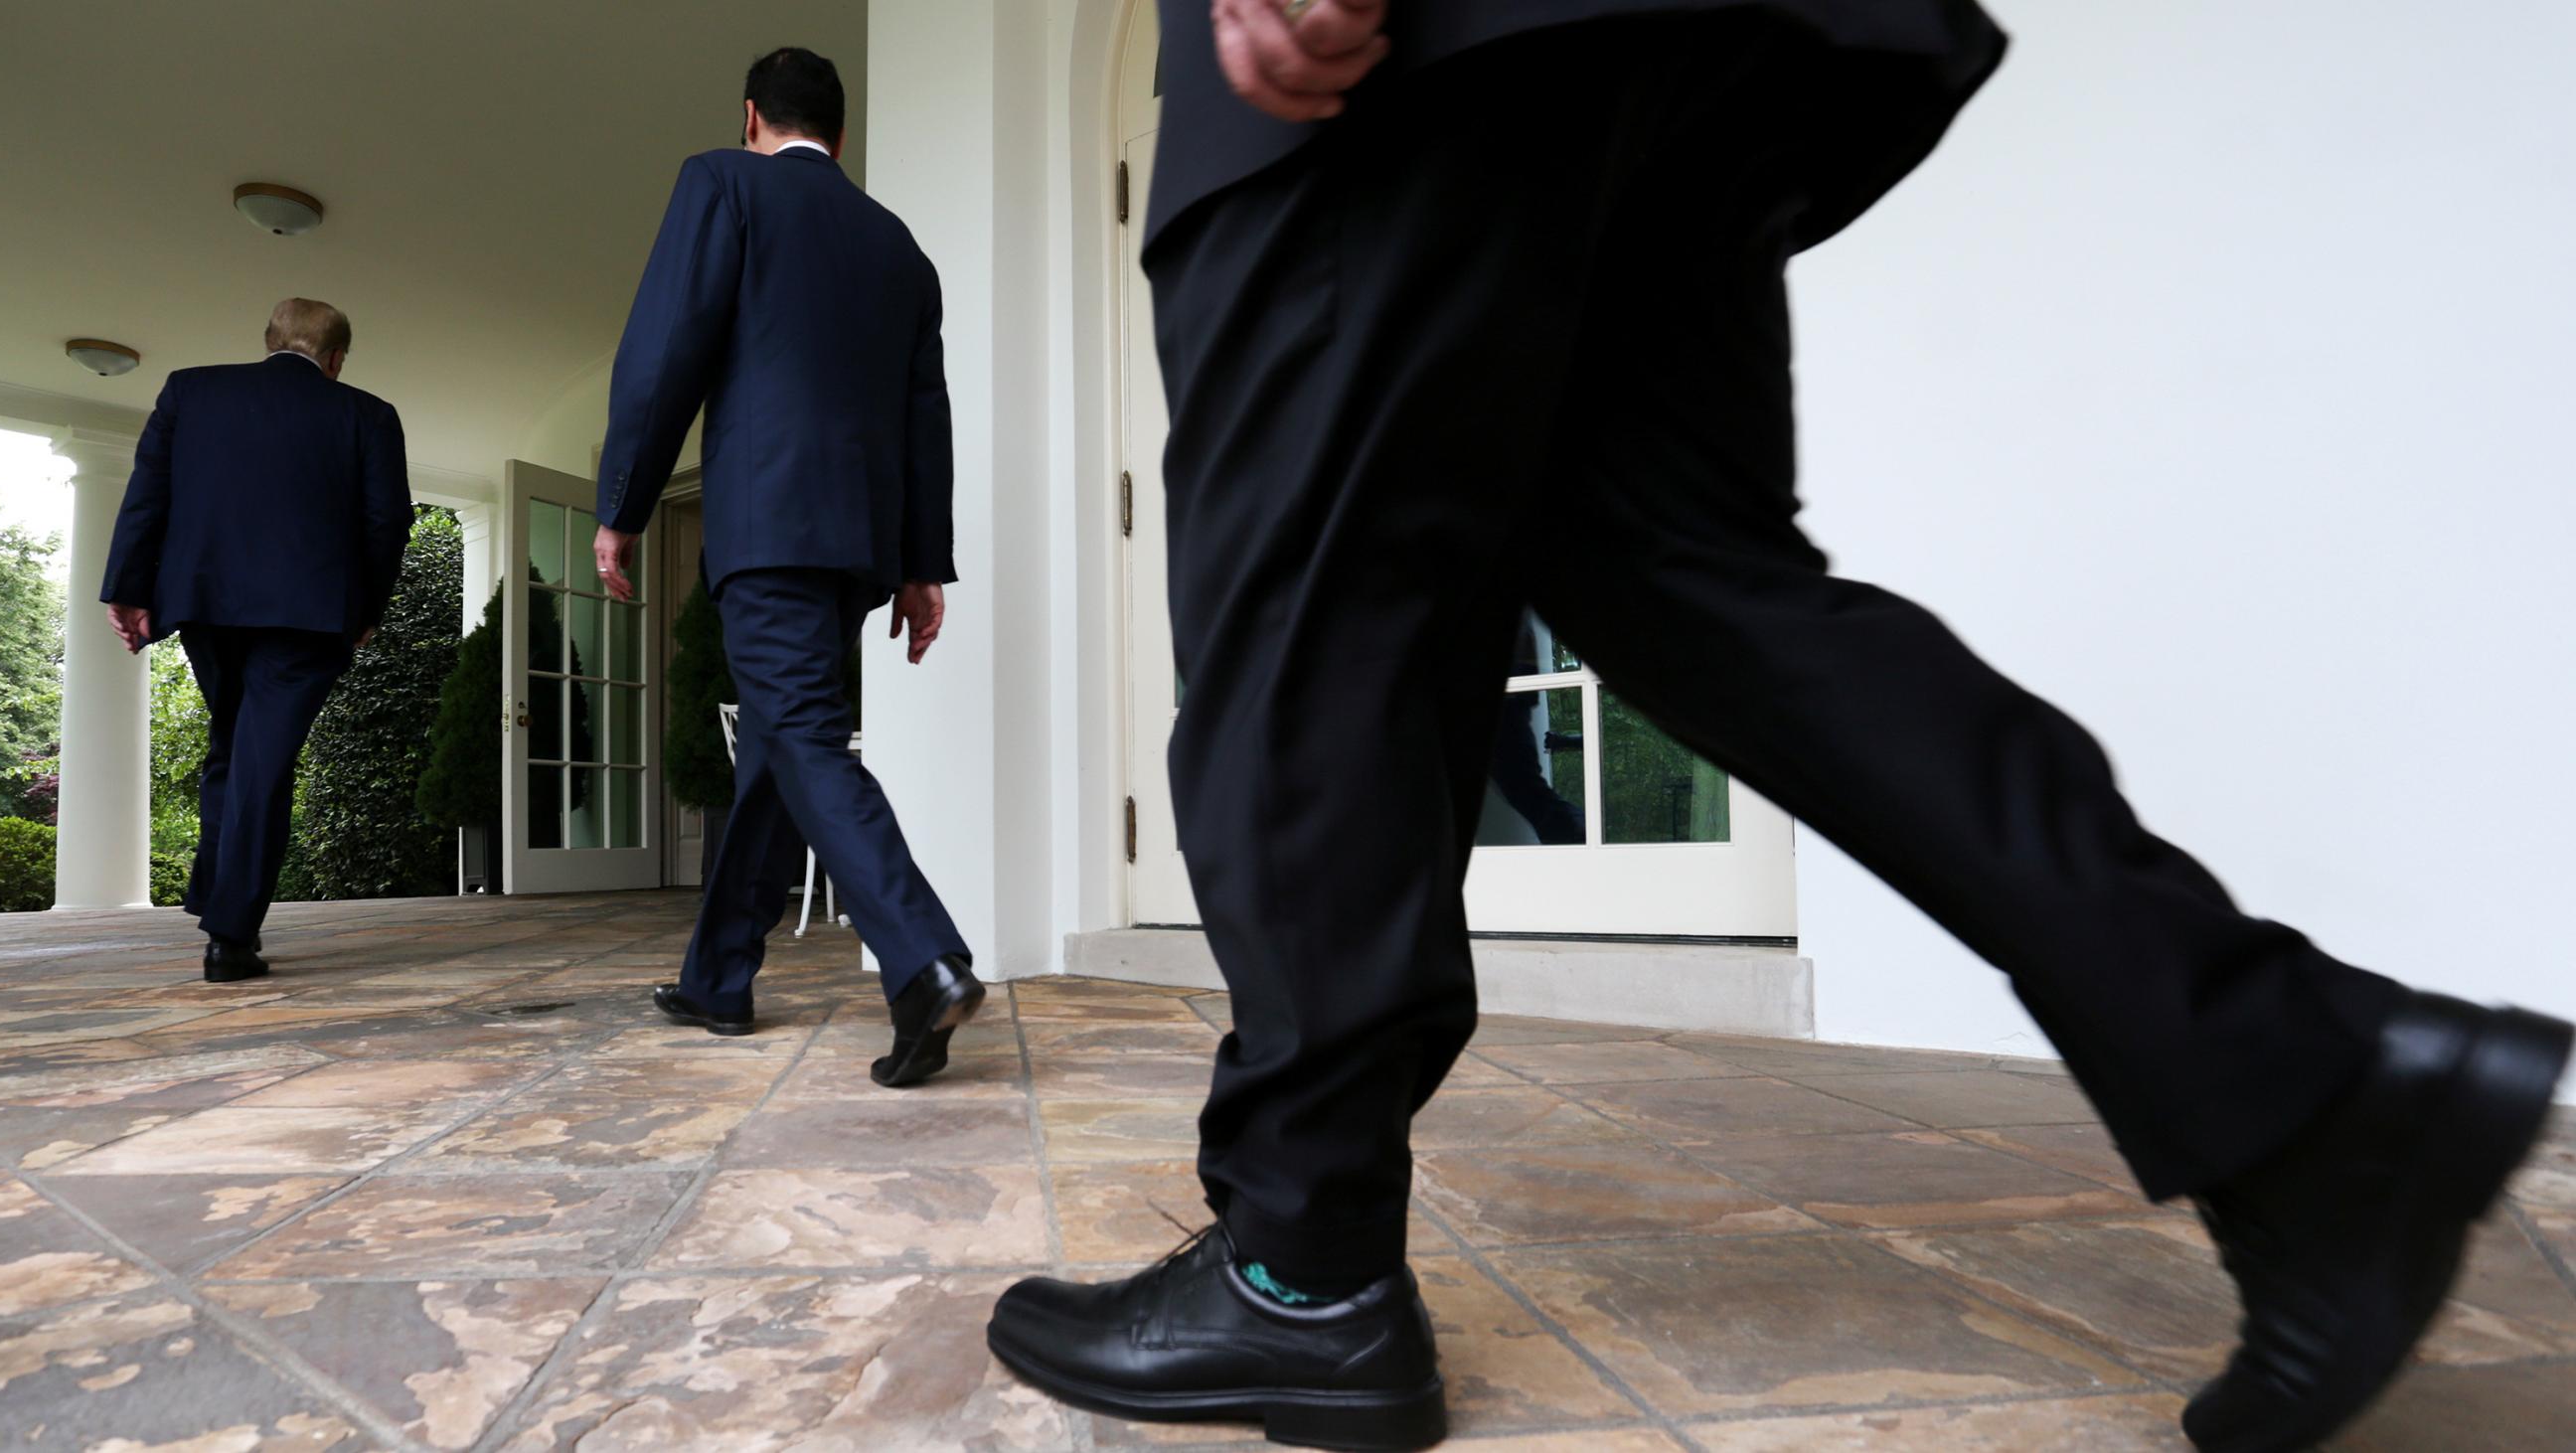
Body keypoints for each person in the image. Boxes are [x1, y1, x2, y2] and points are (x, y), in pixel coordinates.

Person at [984, 4, 2575, 1451]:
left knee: (1303, 616)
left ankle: (1302, 1264)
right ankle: (2301, 1091)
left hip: (1439, 54)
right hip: (1705, 41)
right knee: (1706, 593)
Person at [594, 46, 984, 1086]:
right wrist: (919, 564)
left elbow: (664, 348)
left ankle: (923, 959)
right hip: (854, 541)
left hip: (768, 521)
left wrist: (621, 504)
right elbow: (923, 423)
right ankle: (718, 975)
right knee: (774, 743)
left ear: (751, 117)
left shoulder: (721, 181)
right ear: (841, 136)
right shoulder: (898, 246)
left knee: (800, 733)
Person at [98, 298, 411, 984]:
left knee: (234, 744)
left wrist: (128, 587)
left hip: (205, 604)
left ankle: (217, 894)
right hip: (309, 615)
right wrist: (368, 609)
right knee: (261, 762)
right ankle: (230, 936)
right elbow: (387, 523)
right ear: (335, 359)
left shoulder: (191, 389)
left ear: (270, 341)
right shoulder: (367, 414)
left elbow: (148, 492)